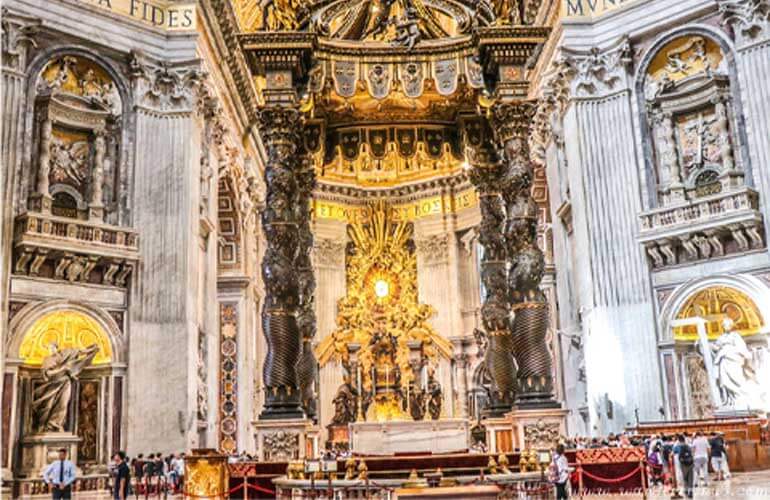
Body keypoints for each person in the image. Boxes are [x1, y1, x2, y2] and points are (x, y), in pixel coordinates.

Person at [674, 435, 695, 499]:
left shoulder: (678, 446)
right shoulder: (689, 446)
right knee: (690, 477)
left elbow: (674, 452)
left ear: (679, 440)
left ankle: (686, 490)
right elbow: (692, 453)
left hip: (683, 463)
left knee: (685, 477)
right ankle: (690, 491)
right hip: (690, 462)